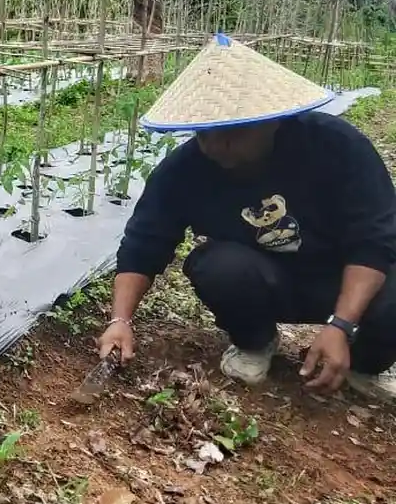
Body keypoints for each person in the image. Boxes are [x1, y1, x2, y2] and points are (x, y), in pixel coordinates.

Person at [97, 34, 396, 401]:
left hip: (342, 276)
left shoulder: (337, 148)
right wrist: (120, 320)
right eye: (204, 134)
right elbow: (143, 244)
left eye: (233, 133)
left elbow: (373, 241)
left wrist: (342, 324)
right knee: (217, 267)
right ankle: (255, 341)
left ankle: (364, 362)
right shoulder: (184, 171)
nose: (215, 146)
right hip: (265, 279)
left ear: (274, 121)